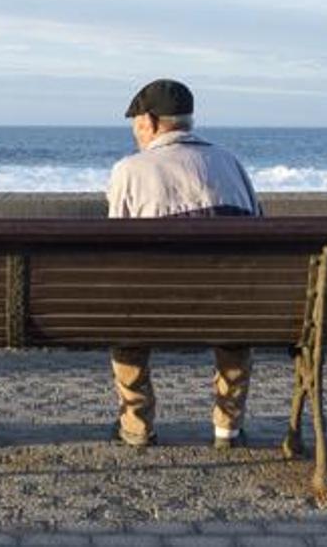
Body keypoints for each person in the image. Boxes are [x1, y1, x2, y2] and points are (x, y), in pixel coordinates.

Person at [105, 78, 262, 449]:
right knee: (234, 323)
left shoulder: (130, 170)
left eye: (137, 125)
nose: (136, 133)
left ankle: (137, 424)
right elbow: (257, 228)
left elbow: (114, 245)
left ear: (150, 121)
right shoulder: (230, 163)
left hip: (152, 309)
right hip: (228, 308)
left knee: (124, 321)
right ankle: (227, 427)